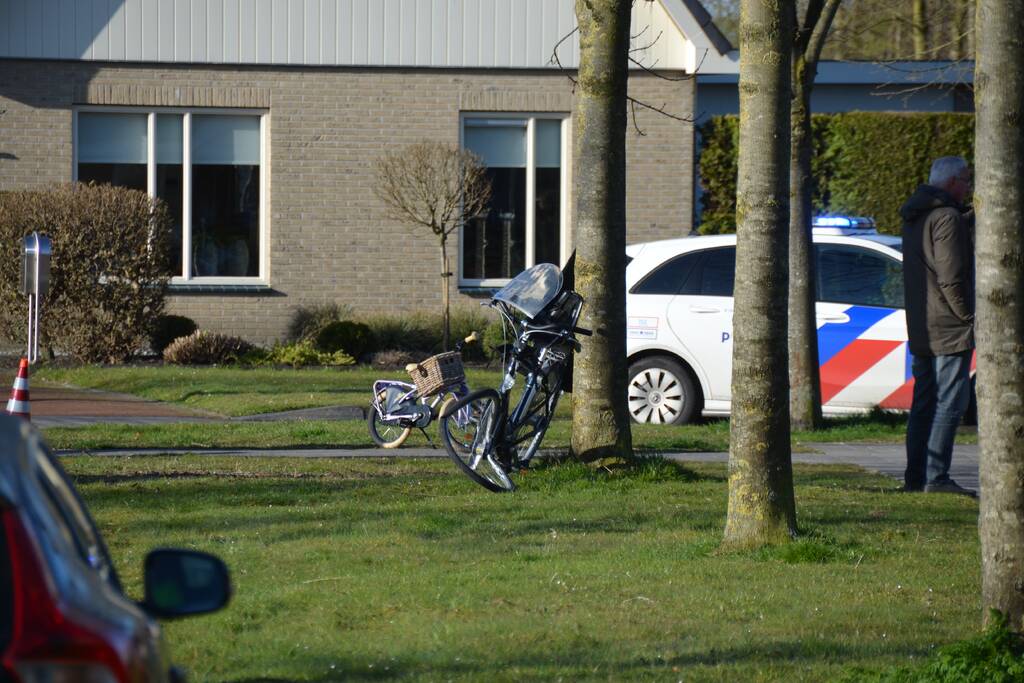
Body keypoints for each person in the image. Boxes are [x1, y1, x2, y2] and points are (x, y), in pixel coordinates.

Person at [899, 156, 976, 496]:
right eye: (966, 180)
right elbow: (951, 277)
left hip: (921, 325)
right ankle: (937, 477)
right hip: (948, 326)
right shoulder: (946, 218)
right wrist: (970, 317)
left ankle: (915, 477)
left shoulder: (917, 215)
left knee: (924, 402)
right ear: (951, 182)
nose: (969, 187)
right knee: (950, 403)